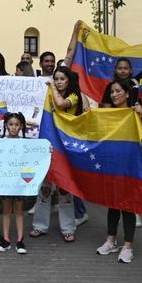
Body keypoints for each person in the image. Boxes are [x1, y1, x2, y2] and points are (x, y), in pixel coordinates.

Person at [94, 79, 142, 264]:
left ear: (127, 94)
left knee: (128, 205)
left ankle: (128, 246)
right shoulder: (108, 115)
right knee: (112, 203)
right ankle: (110, 241)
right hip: (112, 165)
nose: (114, 95)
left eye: (118, 91)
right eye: (112, 92)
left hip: (130, 166)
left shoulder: (135, 113)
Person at [30, 66, 83, 241]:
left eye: (62, 79)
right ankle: (39, 226)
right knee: (44, 189)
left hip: (64, 148)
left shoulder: (73, 96)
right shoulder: (46, 93)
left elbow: (61, 104)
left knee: (64, 189)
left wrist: (51, 85)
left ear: (68, 80)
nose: (59, 82)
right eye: (56, 78)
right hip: (47, 146)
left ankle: (68, 228)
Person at [0, 113, 34, 254]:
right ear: (6, 125)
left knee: (19, 210)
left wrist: (47, 151)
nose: (13, 127)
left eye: (16, 125)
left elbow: (36, 155)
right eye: (11, 124)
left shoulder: (26, 143)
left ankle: (20, 240)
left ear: (21, 126)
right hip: (5, 182)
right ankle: (6, 240)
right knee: (6, 210)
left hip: (19, 183)